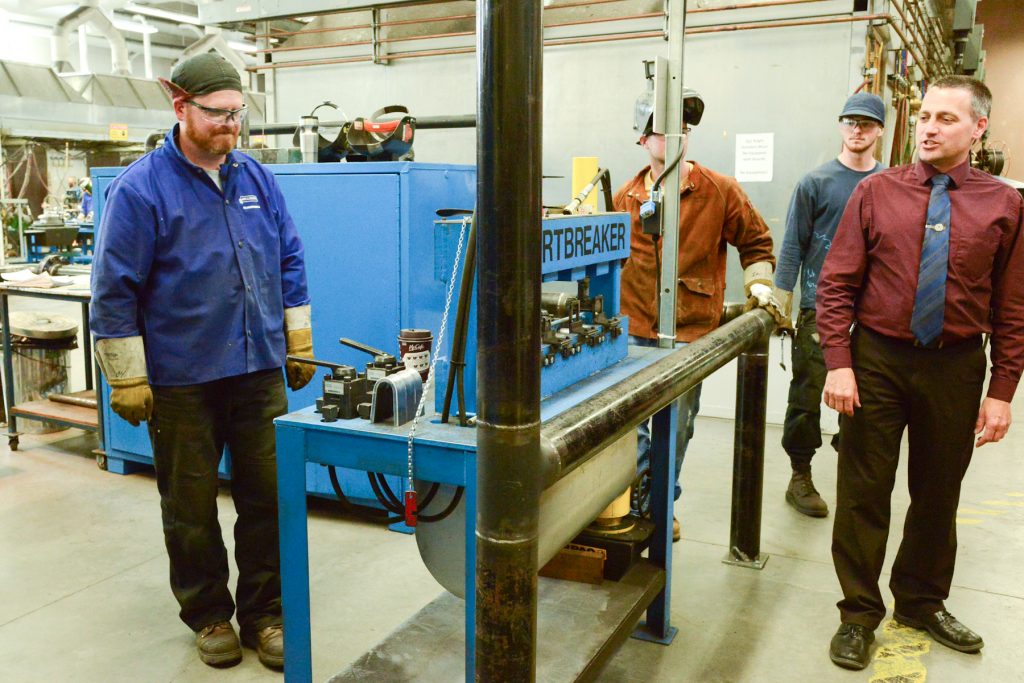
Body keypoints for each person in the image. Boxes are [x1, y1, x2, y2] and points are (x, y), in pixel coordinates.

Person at [90, 53, 316, 670]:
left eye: (238, 114)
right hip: (182, 378)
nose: (230, 127)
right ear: (181, 108)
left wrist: (296, 339)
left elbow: (289, 260)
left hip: (257, 370)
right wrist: (127, 375)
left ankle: (265, 615)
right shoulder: (141, 189)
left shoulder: (256, 179)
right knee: (190, 505)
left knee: (267, 497)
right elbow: (113, 287)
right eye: (217, 114)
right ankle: (209, 613)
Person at [818, 75, 1024, 670]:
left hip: (956, 366)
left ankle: (921, 601)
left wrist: (1002, 391)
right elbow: (836, 285)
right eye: (925, 116)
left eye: (946, 119)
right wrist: (839, 362)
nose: (929, 128)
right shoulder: (876, 193)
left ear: (978, 128)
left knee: (938, 493)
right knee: (863, 491)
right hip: (877, 360)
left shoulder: (1004, 205)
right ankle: (858, 614)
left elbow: (1012, 307)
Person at [616, 80, 779, 542]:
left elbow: (757, 243)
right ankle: (644, 497)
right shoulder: (625, 197)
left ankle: (659, 505)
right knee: (630, 425)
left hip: (688, 332)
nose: (675, 137)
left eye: (682, 128)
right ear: (643, 139)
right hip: (633, 328)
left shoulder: (719, 191)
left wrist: (760, 283)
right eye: (664, 130)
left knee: (678, 425)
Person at [773, 92, 885, 518]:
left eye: (867, 124)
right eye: (850, 122)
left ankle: (853, 474)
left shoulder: (889, 184)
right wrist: (782, 304)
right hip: (819, 313)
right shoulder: (815, 183)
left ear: (879, 131)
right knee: (806, 395)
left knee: (868, 401)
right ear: (840, 126)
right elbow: (792, 247)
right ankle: (800, 475)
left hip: (874, 317)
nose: (858, 130)